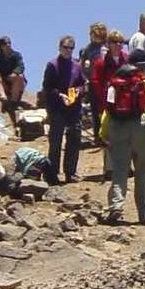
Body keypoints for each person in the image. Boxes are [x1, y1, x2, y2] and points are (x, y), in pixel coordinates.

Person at [101, 49, 145, 225]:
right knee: (143, 174)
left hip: (118, 128)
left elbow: (108, 111)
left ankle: (116, 205)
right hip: (142, 128)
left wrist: (103, 133)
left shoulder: (115, 83)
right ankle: (144, 214)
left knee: (120, 170)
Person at [41, 35, 86, 185]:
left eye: (71, 48)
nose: (68, 51)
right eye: (65, 47)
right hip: (57, 108)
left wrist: (78, 92)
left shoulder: (77, 66)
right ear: (60, 48)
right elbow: (47, 87)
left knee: (74, 139)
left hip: (74, 108)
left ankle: (70, 172)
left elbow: (82, 84)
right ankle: (52, 173)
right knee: (56, 141)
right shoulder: (52, 65)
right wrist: (60, 95)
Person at [90, 31, 129, 177]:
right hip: (107, 104)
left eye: (120, 42)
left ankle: (125, 166)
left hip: (125, 103)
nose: (118, 45)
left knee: (125, 135)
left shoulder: (126, 59)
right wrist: (105, 96)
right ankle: (110, 168)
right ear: (108, 44)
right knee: (109, 135)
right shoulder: (101, 62)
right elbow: (95, 81)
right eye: (114, 42)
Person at [80, 22, 109, 141]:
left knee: (107, 107)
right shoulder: (88, 48)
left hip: (106, 81)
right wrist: (85, 78)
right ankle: (98, 135)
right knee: (95, 109)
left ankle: (108, 133)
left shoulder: (107, 45)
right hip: (93, 81)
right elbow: (82, 64)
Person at [0, 36, 26, 107]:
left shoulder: (16, 55)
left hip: (16, 82)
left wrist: (15, 73)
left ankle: (14, 101)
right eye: (5, 44)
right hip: (4, 82)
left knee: (19, 77)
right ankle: (3, 97)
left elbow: (21, 66)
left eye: (9, 43)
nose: (8, 45)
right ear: (1, 46)